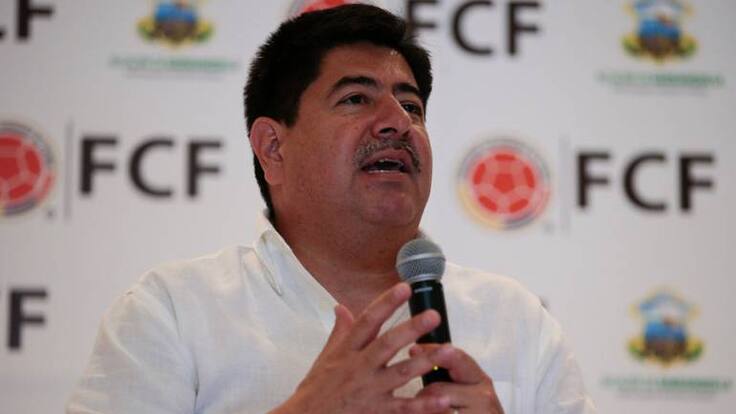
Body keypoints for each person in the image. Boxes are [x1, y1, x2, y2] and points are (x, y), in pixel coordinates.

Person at [67, 5, 596, 414]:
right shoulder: (173, 312)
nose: (397, 122)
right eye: (356, 99)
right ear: (273, 148)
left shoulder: (514, 320)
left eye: (412, 106)